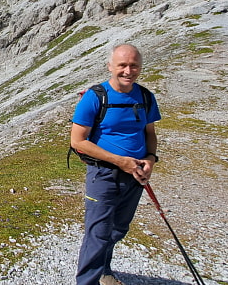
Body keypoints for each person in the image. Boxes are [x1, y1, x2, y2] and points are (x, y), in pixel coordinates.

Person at [70, 43, 161, 285]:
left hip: (135, 175)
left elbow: (149, 132)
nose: (128, 71)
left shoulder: (145, 97)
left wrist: (150, 159)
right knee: (98, 235)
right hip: (104, 175)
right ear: (110, 66)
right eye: (122, 65)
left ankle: (103, 268)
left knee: (119, 228)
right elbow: (78, 141)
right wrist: (120, 161)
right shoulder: (95, 97)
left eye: (134, 65)